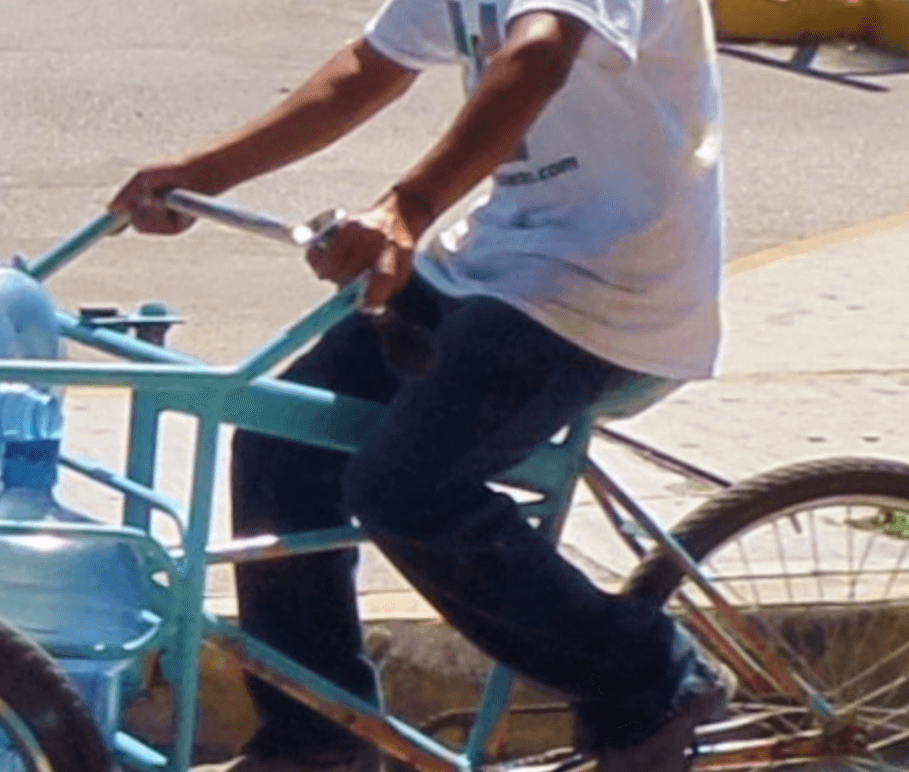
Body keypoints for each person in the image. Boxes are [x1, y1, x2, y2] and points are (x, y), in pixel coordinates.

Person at [109, 0, 729, 769]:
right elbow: (369, 66)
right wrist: (202, 174)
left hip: (609, 288)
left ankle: (649, 671)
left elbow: (537, 53)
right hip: (500, 264)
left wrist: (408, 205)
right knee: (279, 440)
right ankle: (317, 735)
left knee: (406, 488)